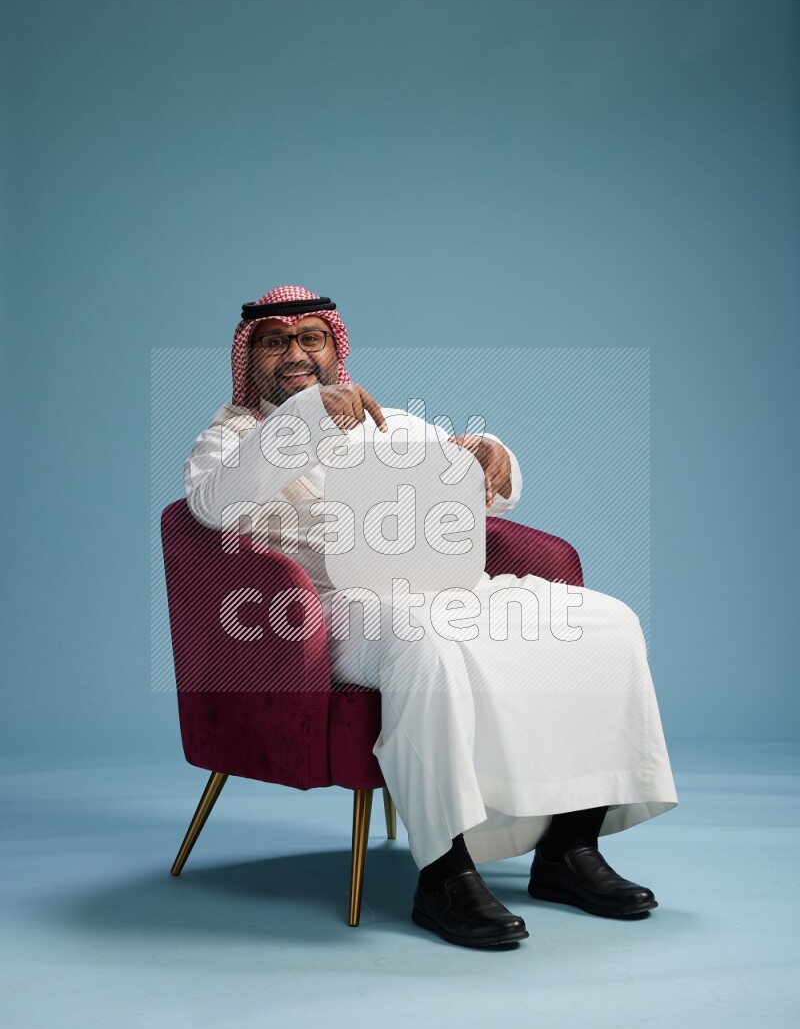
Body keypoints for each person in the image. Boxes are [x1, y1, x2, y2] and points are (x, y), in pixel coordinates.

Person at [184, 284, 679, 949]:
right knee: (423, 644)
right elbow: (213, 508)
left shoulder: (390, 422)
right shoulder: (227, 439)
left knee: (604, 623)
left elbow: (474, 484)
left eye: (312, 339)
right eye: (277, 342)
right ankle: (444, 874)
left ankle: (568, 848)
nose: (296, 353)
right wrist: (304, 418)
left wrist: (493, 458)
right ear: (252, 358)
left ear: (335, 349)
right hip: (328, 612)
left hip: (448, 590)